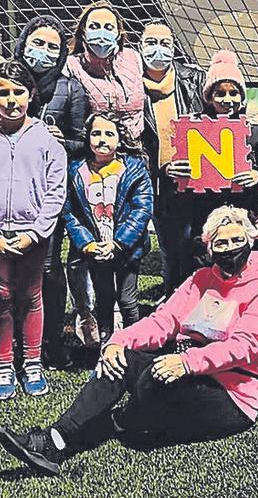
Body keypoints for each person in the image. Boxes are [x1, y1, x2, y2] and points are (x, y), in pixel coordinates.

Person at [0, 206, 258, 477]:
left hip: (231, 394)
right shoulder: (200, 279)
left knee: (155, 380)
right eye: (220, 244)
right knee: (121, 361)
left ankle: (123, 423)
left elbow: (244, 346)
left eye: (237, 240)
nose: (230, 249)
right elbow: (163, 321)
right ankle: (54, 439)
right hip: (186, 369)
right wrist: (117, 342)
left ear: (250, 240)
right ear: (209, 249)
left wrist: (186, 363)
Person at [0, 61, 67, 400]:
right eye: (2, 92)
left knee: (32, 296)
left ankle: (32, 363)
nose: (10, 100)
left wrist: (36, 232)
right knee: (0, 296)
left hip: (32, 234)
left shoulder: (46, 139)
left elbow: (55, 190)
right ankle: (4, 366)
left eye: (18, 92)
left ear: (30, 95)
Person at [13, 15, 92, 365]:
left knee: (46, 267)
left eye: (52, 47)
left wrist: (64, 142)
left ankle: (51, 340)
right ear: (24, 41)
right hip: (3, 194)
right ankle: (4, 341)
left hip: (47, 193)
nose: (43, 52)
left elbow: (81, 142)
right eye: (37, 43)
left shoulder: (70, 88)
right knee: (3, 269)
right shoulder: (4, 78)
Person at [168, 49, 258, 291]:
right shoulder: (194, 129)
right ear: (209, 97)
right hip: (204, 215)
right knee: (206, 277)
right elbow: (178, 177)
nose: (227, 100)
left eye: (233, 93)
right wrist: (173, 171)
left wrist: (256, 174)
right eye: (220, 93)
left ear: (242, 96)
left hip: (245, 212)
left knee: (245, 277)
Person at [63, 114, 154, 344]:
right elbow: (70, 212)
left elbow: (142, 210)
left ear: (120, 139)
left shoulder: (134, 169)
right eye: (96, 134)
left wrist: (118, 243)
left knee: (127, 299)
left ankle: (134, 342)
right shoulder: (76, 171)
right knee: (104, 297)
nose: (102, 140)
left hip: (126, 249)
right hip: (97, 249)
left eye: (109, 134)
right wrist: (88, 243)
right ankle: (106, 342)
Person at [135, 20, 205, 302]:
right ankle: (173, 305)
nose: (158, 49)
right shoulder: (131, 86)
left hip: (199, 183)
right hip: (160, 185)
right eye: (151, 42)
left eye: (165, 43)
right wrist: (161, 170)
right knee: (171, 251)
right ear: (139, 47)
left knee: (199, 249)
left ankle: (200, 307)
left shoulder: (194, 80)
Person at [64, 1, 147, 154]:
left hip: (135, 151)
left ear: (118, 33)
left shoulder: (134, 58)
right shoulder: (71, 65)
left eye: (108, 27)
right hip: (93, 153)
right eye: (94, 27)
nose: (101, 33)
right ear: (83, 31)